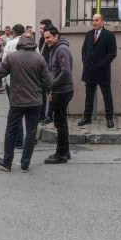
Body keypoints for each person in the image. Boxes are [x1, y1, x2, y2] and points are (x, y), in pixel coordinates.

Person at [0, 35, 52, 172]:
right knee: (31, 132)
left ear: (20, 44)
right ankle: (25, 163)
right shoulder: (40, 58)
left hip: (17, 101)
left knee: (11, 131)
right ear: (33, 44)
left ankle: (7, 162)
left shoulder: (12, 57)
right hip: (35, 101)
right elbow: (48, 81)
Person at [79, 14, 117, 128]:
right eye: (93, 20)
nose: (94, 22)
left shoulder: (109, 35)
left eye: (97, 20)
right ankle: (87, 118)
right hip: (89, 70)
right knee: (89, 95)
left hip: (102, 71)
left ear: (102, 21)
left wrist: (101, 64)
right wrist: (85, 61)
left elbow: (112, 53)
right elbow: (84, 49)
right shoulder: (89, 34)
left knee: (107, 95)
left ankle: (109, 118)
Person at [43, 26, 74, 164]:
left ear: (56, 36)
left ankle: (60, 154)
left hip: (62, 91)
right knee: (61, 122)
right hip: (59, 90)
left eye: (48, 37)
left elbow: (66, 72)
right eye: (45, 38)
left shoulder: (61, 49)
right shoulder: (55, 49)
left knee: (60, 123)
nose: (46, 40)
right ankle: (65, 151)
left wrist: (53, 86)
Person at [2, 24, 35, 148]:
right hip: (30, 83)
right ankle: (30, 141)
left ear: (14, 33)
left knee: (16, 111)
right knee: (30, 113)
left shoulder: (10, 45)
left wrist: (4, 80)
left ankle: (18, 141)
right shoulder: (33, 45)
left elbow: (4, 65)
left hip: (13, 83)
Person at [38, 19, 54, 125]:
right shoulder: (41, 39)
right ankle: (41, 115)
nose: (39, 30)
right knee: (42, 94)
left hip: (50, 71)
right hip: (42, 71)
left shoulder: (52, 39)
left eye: (41, 28)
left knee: (51, 94)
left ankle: (50, 115)